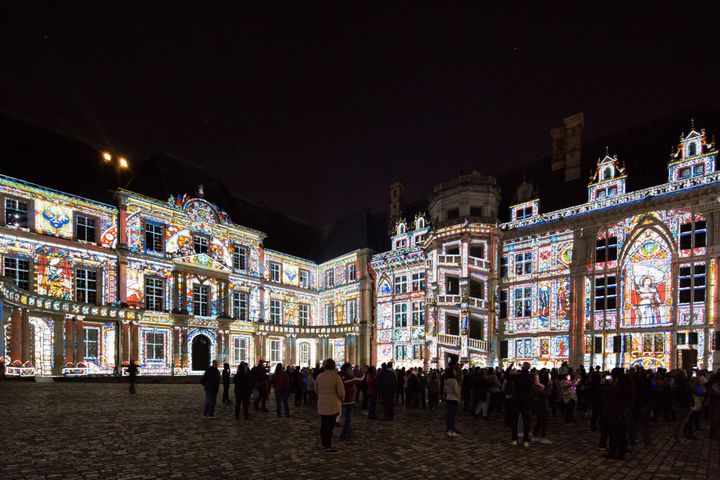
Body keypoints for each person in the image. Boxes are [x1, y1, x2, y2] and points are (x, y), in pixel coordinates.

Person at [316, 358, 345, 454]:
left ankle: (324, 445)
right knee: (329, 426)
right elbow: (341, 392)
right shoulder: (336, 377)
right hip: (332, 404)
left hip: (322, 403)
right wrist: (341, 399)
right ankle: (327, 447)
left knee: (323, 425)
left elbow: (316, 389)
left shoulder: (319, 376)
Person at [510, 362, 532, 447]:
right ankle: (525, 440)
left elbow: (506, 376)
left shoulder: (517, 376)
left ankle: (514, 439)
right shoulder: (530, 377)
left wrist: (510, 366)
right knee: (526, 421)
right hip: (526, 400)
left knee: (514, 420)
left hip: (516, 400)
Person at [444, 363, 461, 436]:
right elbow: (456, 391)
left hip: (448, 397)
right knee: (453, 416)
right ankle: (451, 431)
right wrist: (459, 396)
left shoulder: (446, 380)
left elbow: (444, 390)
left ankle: (449, 429)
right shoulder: (453, 380)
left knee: (449, 415)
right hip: (454, 398)